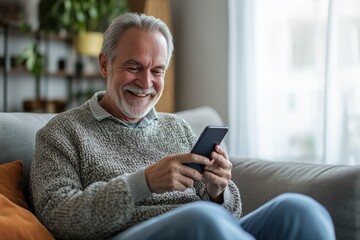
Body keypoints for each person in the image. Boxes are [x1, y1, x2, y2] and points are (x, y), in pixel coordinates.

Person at [30, 12, 335, 240]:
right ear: (105, 64)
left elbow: (231, 216)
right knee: (202, 220)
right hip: (137, 233)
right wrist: (144, 182)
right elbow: (60, 218)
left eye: (157, 70)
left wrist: (219, 191)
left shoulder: (179, 128)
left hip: (209, 229)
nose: (146, 83)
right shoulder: (61, 134)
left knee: (299, 210)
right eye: (134, 67)